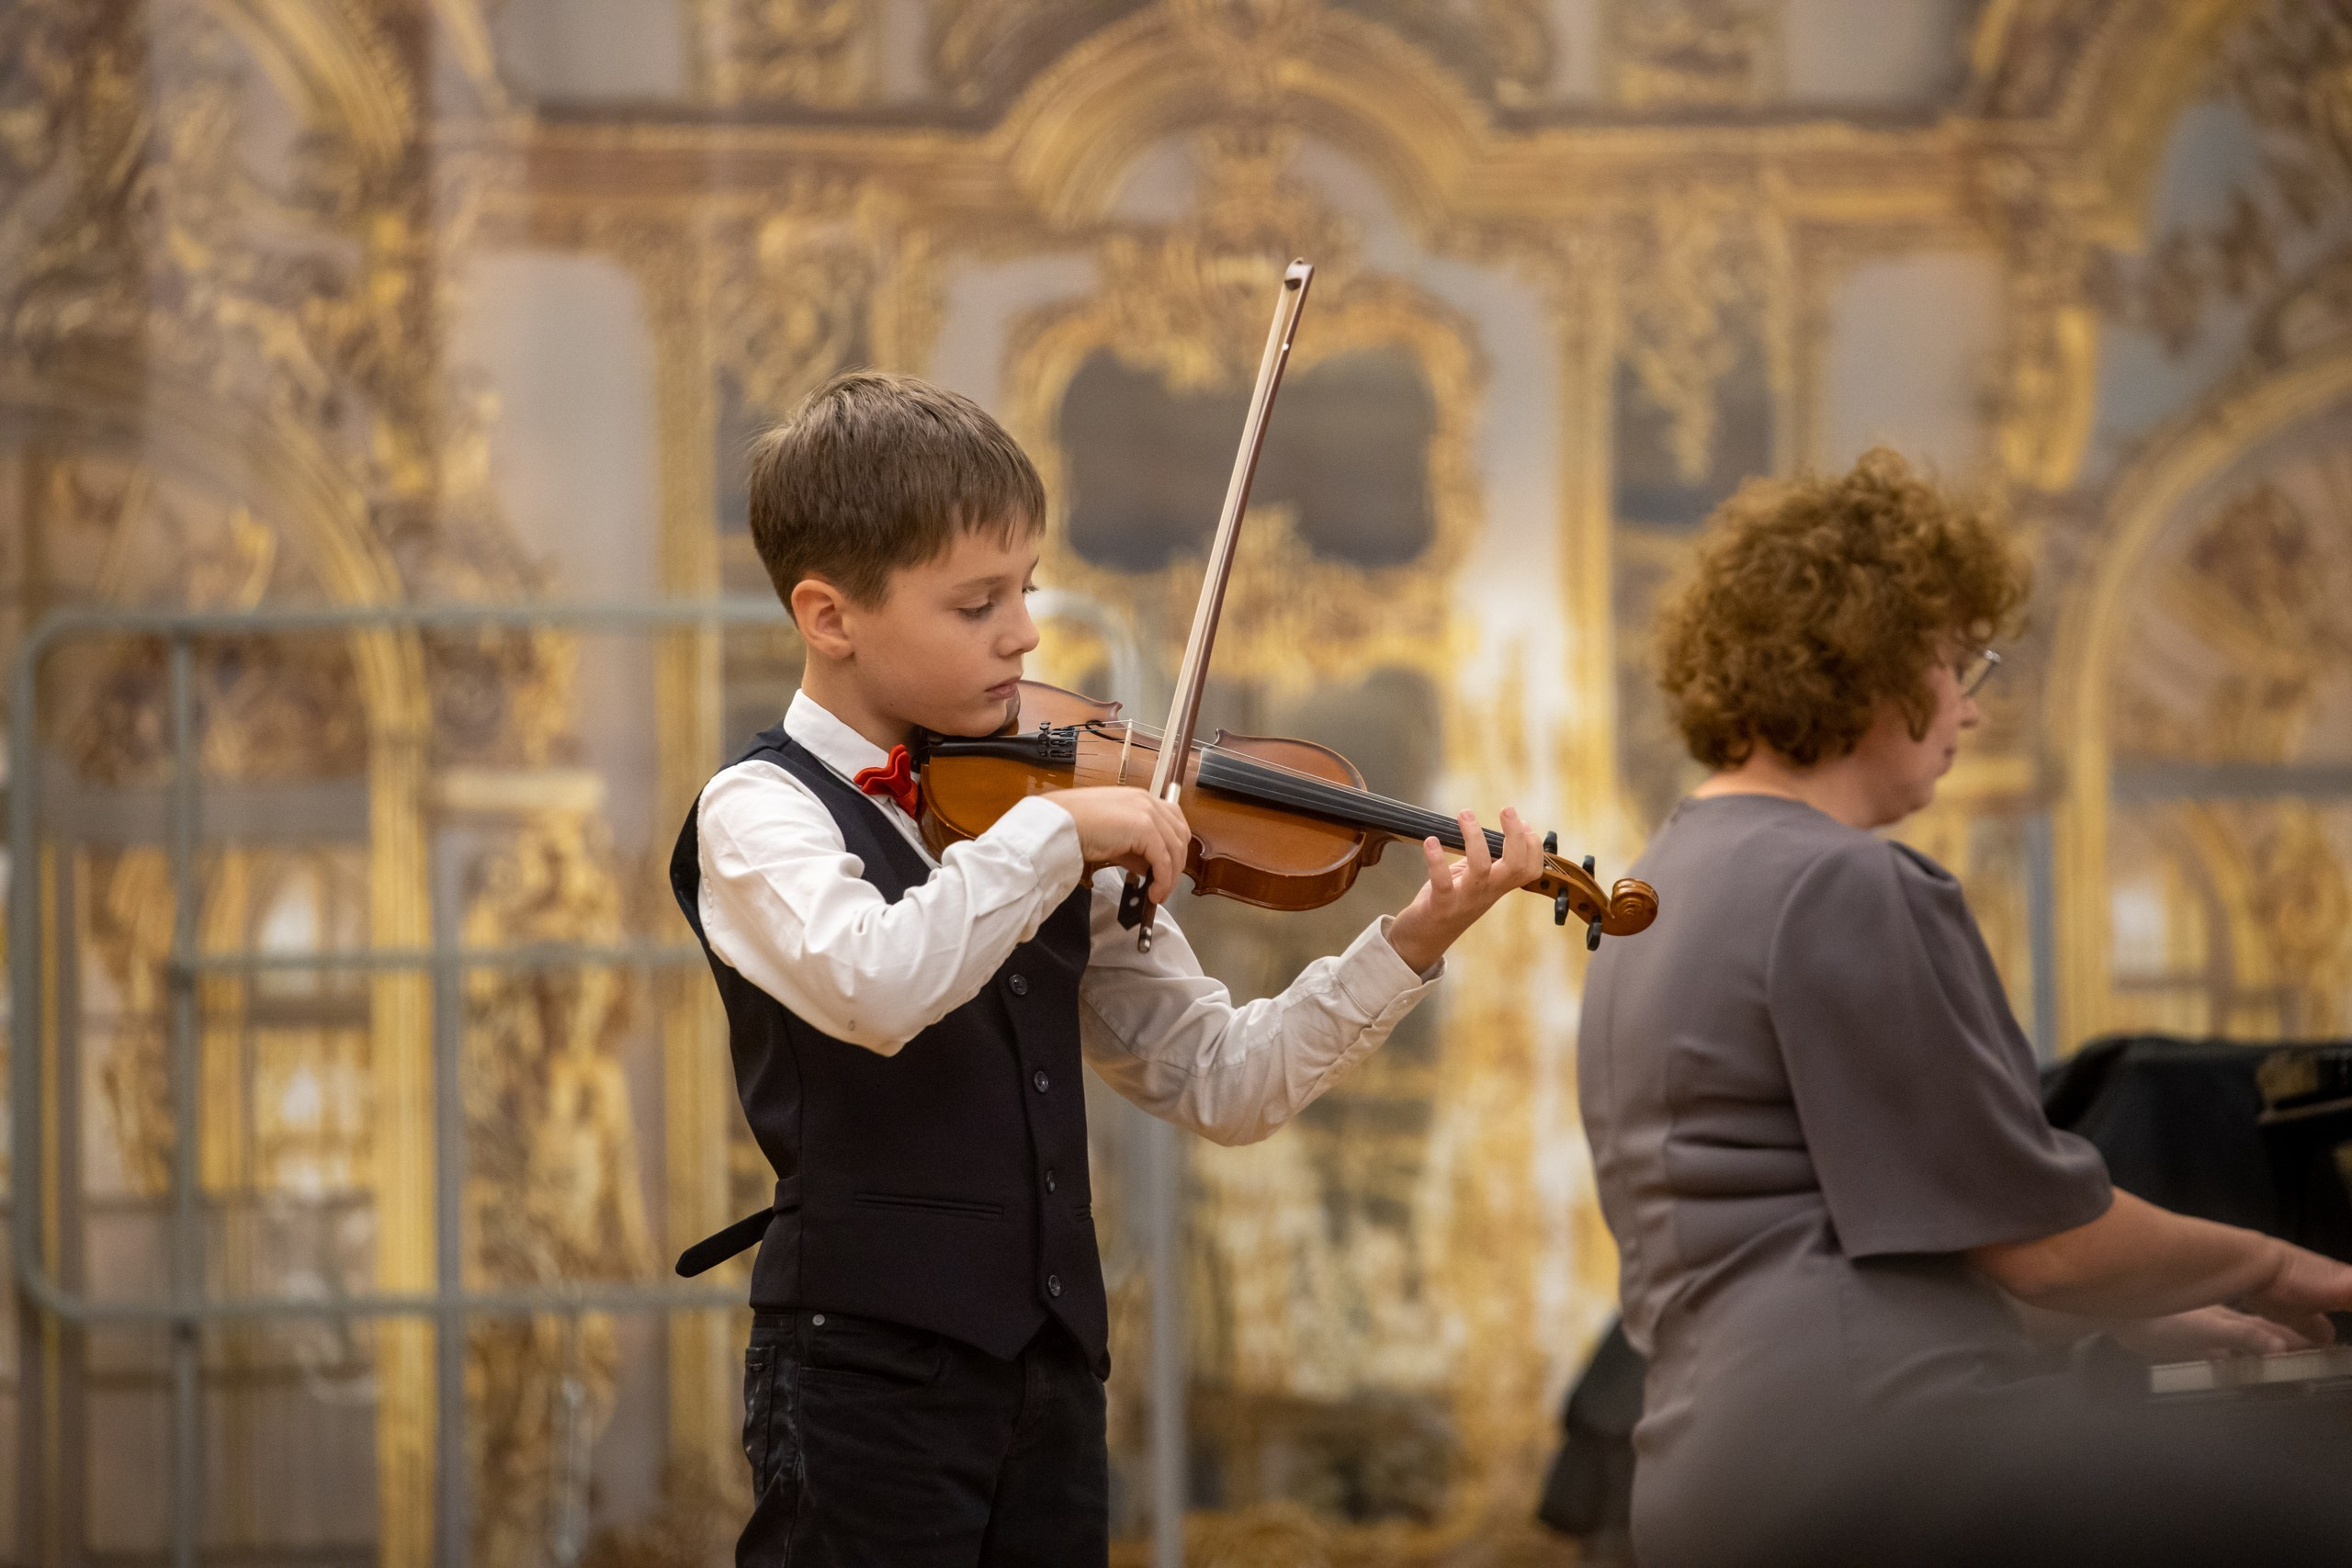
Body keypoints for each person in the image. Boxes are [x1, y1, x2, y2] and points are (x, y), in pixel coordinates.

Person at [670, 370, 1541, 1567]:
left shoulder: (1041, 808)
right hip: (859, 1371)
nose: (1024, 633)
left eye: (1023, 588)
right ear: (830, 615)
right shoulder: (760, 812)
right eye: (976, 603)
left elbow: (1225, 1079)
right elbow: (875, 986)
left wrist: (1411, 940)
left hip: (1049, 1380)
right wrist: (1061, 833)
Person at [1577, 449, 2352, 1568]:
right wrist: (2287, 1266)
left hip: (1712, 1472)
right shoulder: (1834, 880)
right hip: (1885, 1455)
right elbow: (2041, 1247)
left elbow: (1821, 1236)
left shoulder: (1658, 884)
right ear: (1870, 659)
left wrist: (2131, 1311)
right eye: (1954, 661)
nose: (1968, 710)